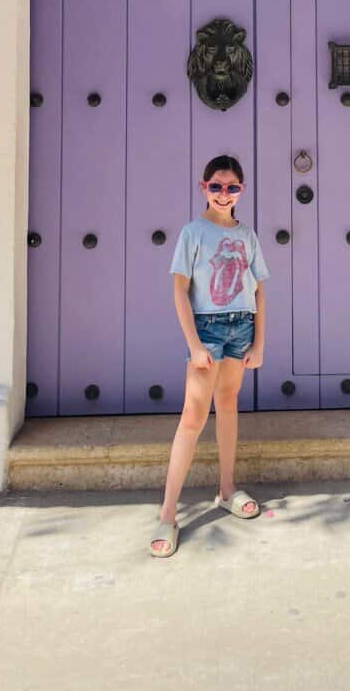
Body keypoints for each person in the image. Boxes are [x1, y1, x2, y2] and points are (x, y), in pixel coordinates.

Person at [149, 154, 269, 557]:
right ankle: (168, 514)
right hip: (208, 328)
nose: (224, 193)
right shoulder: (193, 233)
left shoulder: (248, 234)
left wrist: (259, 342)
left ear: (242, 191)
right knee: (193, 417)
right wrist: (195, 344)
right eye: (216, 186)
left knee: (229, 404)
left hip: (242, 329)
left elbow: (259, 291)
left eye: (232, 187)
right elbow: (180, 290)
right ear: (204, 188)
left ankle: (227, 489)